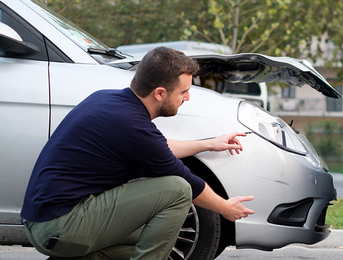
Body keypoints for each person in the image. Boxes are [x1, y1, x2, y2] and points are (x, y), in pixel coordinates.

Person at [20, 46, 255, 260]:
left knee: (153, 237)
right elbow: (186, 181)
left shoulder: (109, 100)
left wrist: (208, 144)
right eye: (183, 91)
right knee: (178, 189)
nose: (187, 97)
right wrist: (226, 208)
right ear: (160, 93)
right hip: (60, 225)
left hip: (44, 222)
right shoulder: (131, 125)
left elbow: (158, 148)